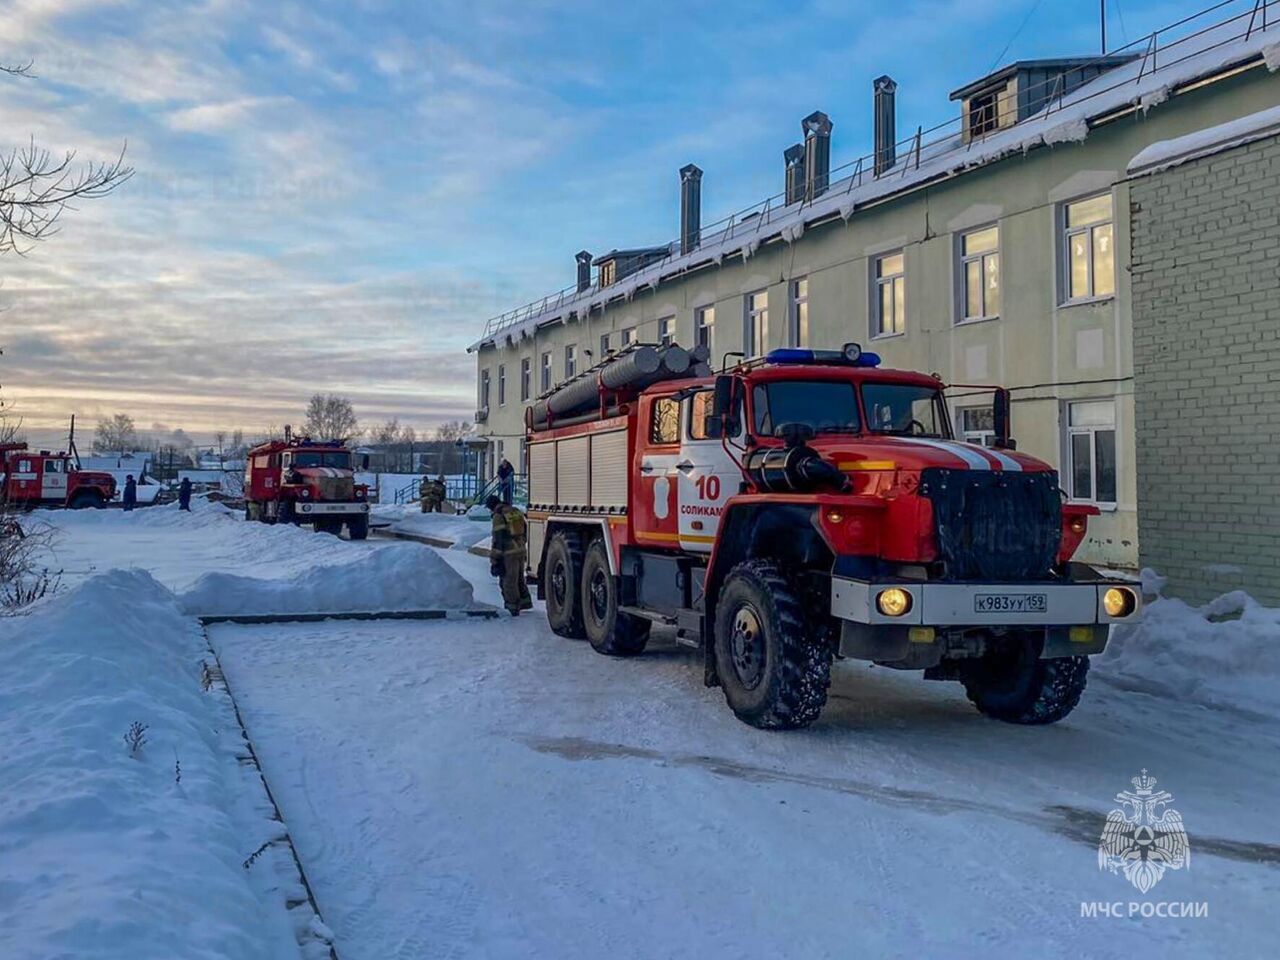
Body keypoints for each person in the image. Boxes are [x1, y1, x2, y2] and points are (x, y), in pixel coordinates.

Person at [487, 493, 532, 615]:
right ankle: (525, 602)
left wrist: (495, 558)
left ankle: (512, 607)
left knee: (508, 581)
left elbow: (498, 538)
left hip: (508, 552)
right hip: (520, 550)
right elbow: (525, 528)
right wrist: (522, 543)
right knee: (519, 578)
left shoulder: (498, 515)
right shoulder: (515, 511)